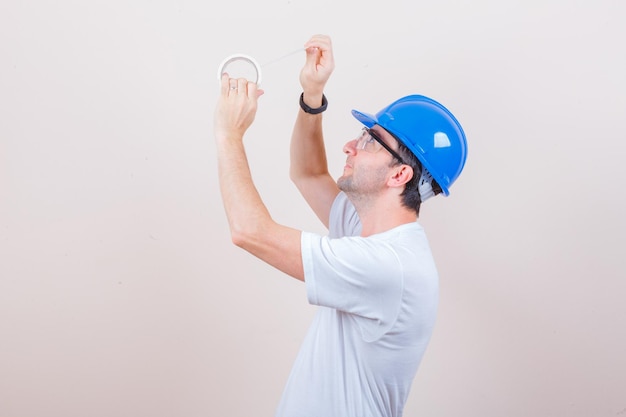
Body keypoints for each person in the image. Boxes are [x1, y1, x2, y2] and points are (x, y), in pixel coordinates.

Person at [214, 34, 467, 417]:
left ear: (399, 174)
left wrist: (228, 134)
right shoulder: (370, 228)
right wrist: (312, 95)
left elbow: (250, 231)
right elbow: (308, 172)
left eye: (369, 141)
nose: (350, 145)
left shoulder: (389, 266)